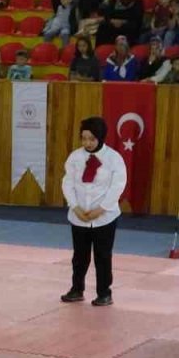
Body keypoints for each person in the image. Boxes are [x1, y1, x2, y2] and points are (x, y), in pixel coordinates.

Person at [60, 117, 126, 306]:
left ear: (101, 138)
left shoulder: (114, 159)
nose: (87, 143)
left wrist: (101, 209)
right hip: (79, 216)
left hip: (104, 217)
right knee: (79, 256)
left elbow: (117, 186)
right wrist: (75, 206)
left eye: (91, 139)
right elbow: (68, 183)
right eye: (84, 138)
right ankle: (76, 289)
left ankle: (104, 292)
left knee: (103, 256)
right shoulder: (75, 157)